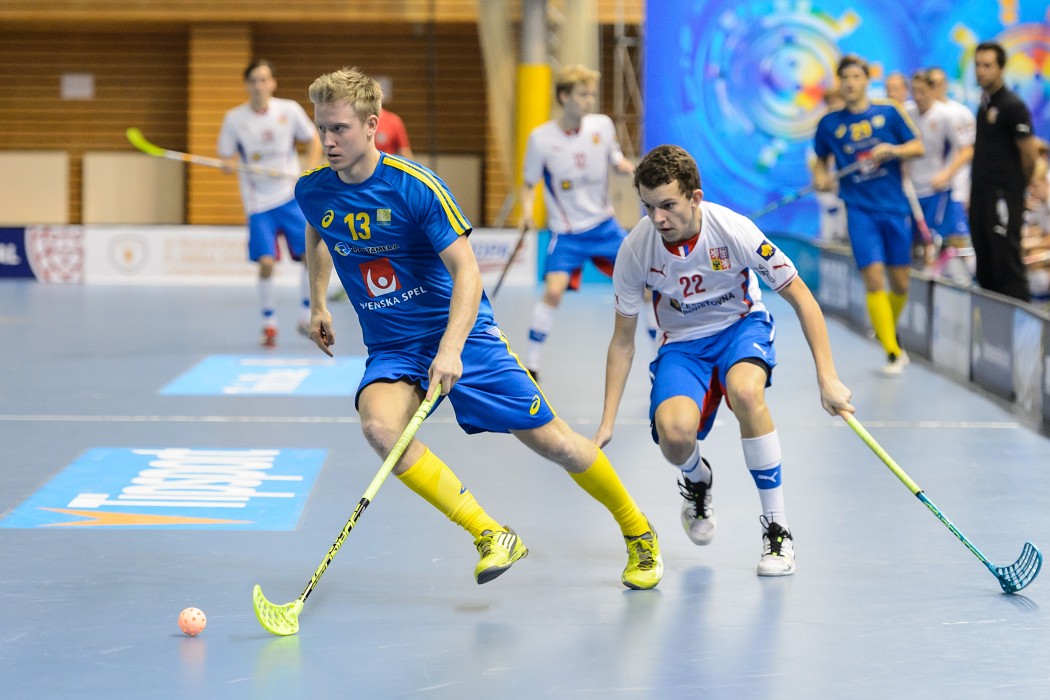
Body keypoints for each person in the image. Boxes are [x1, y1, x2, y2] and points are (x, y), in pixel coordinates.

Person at [294, 66, 663, 590]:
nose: (327, 141)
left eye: (339, 129)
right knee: (380, 428)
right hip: (394, 347)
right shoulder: (314, 191)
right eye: (321, 128)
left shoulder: (415, 187)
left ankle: (637, 528)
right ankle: (491, 533)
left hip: (462, 336)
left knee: (556, 445)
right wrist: (317, 305)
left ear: (372, 124)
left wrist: (451, 349)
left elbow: (467, 270)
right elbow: (316, 232)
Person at [595, 144, 854, 577]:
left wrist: (827, 378)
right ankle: (697, 479)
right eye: (648, 206)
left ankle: (777, 531)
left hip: (740, 327)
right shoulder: (637, 248)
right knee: (675, 436)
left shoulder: (734, 230)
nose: (657, 218)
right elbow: (622, 341)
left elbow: (801, 297)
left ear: (695, 198)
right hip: (682, 344)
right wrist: (607, 423)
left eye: (667, 206)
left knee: (747, 393)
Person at [519, 65, 653, 379]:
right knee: (553, 291)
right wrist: (526, 212)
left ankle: (661, 356)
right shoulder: (540, 139)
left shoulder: (602, 126)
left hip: (604, 226)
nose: (589, 100)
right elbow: (528, 184)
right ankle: (531, 364)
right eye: (582, 94)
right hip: (566, 233)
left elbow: (615, 156)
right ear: (564, 97)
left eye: (592, 93)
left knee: (647, 286)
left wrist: (623, 166)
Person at [812, 54, 924, 375]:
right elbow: (821, 162)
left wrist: (893, 150)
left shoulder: (889, 112)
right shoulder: (829, 124)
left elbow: (917, 146)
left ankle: (885, 326)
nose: (850, 83)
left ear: (866, 80)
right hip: (859, 209)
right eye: (844, 77)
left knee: (900, 283)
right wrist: (821, 177)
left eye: (856, 77)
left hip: (894, 207)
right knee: (873, 278)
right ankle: (892, 351)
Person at [218, 59, 323, 347]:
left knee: (308, 257)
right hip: (258, 203)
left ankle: (306, 315)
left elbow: (313, 139)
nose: (259, 86)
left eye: (264, 80)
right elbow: (226, 156)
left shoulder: (288, 110)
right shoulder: (234, 119)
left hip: (290, 197)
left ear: (273, 83)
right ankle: (269, 324)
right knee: (265, 264)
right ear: (247, 85)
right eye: (254, 80)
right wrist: (227, 164)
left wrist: (309, 170)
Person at [969, 41, 1043, 302]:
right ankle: (992, 336)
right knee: (985, 262)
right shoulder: (984, 104)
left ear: (1001, 69)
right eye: (977, 65)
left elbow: (1029, 153)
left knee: (1006, 262)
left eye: (987, 65)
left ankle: (1021, 336)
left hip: (1003, 195)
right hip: (981, 195)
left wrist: (1015, 185)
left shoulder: (1012, 105)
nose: (980, 71)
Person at [908, 70, 974, 278]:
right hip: (911, 191)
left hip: (937, 190)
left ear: (932, 90)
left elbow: (966, 150)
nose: (918, 97)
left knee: (939, 241)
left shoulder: (947, 115)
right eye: (914, 91)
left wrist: (946, 175)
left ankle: (956, 282)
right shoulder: (907, 113)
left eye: (923, 91)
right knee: (913, 244)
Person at [810, 87, 848, 243]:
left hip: (852, 197)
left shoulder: (852, 129)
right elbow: (815, 163)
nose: (833, 107)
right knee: (830, 236)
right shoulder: (823, 130)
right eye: (829, 104)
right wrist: (821, 179)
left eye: (837, 103)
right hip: (830, 198)